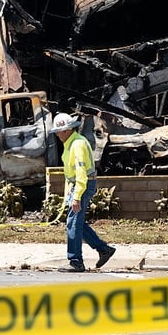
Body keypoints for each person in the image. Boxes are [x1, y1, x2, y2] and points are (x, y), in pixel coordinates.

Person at [51, 112, 116, 272]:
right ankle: (103, 249)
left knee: (73, 223)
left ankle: (75, 261)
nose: (57, 135)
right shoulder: (70, 143)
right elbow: (70, 174)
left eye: (59, 131)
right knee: (76, 222)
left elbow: (80, 173)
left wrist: (76, 197)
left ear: (66, 130)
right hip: (80, 185)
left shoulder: (77, 144)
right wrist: (70, 193)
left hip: (84, 184)